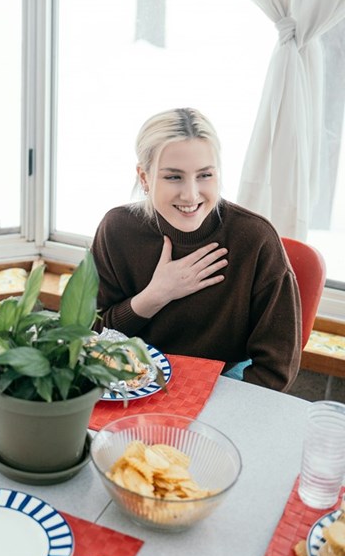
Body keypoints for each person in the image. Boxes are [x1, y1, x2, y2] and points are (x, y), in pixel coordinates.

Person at [90, 107, 301, 391]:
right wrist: (155, 295)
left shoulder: (255, 239)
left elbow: (277, 368)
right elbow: (92, 337)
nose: (191, 194)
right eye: (173, 177)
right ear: (144, 178)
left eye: (204, 175)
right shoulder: (117, 229)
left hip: (225, 390)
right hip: (131, 384)